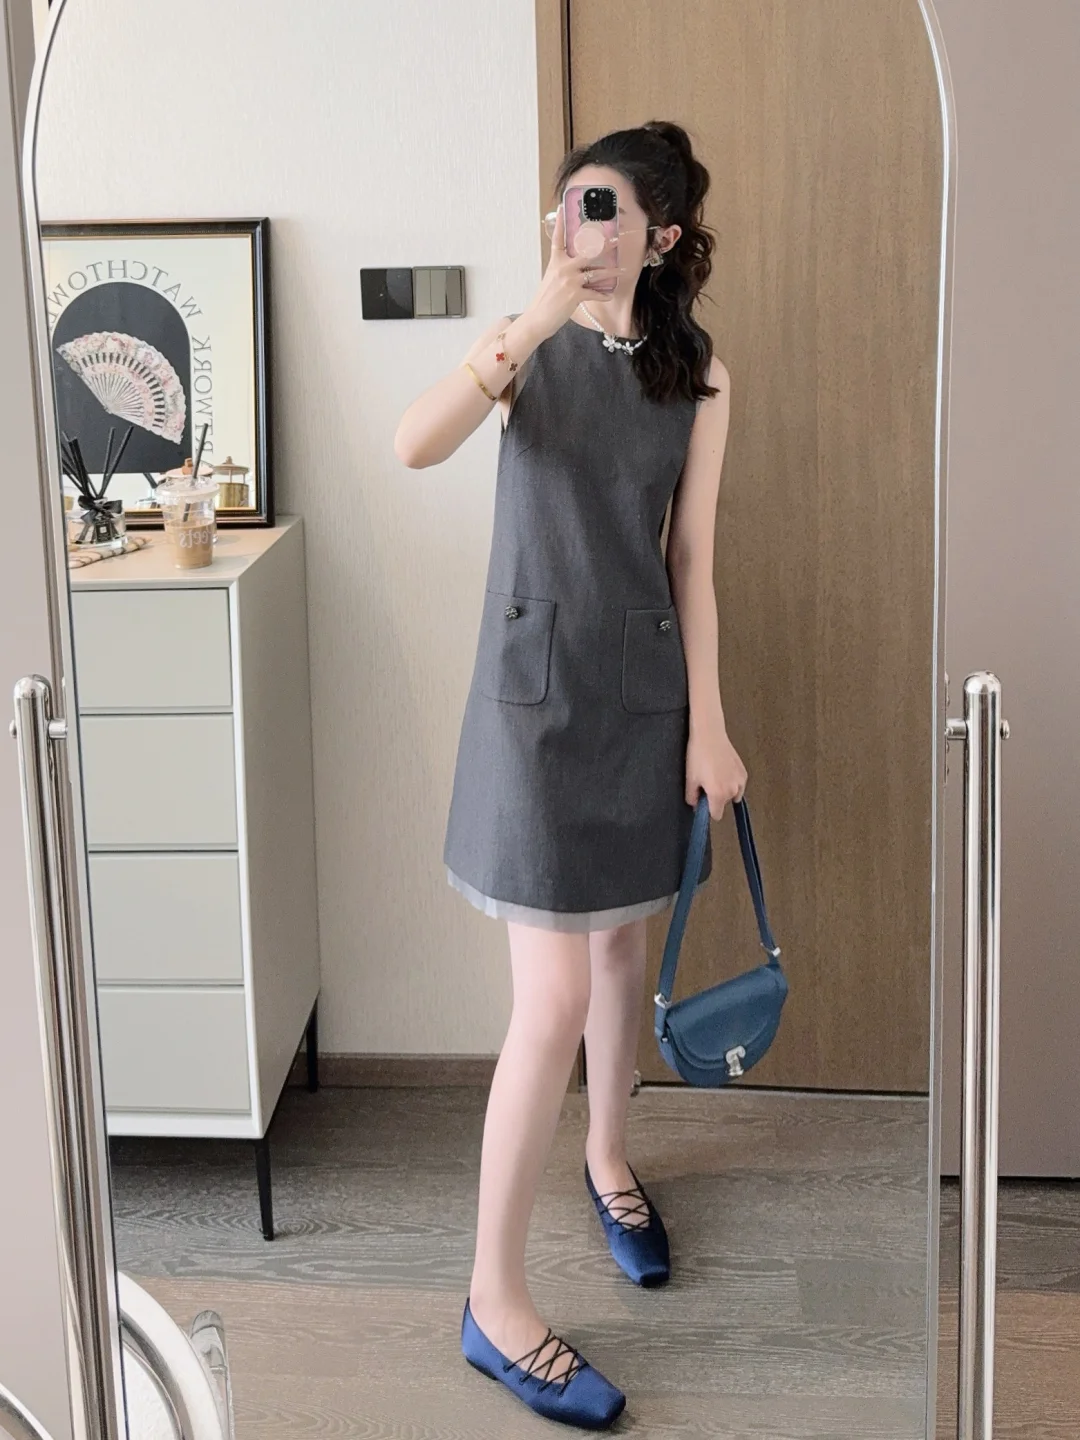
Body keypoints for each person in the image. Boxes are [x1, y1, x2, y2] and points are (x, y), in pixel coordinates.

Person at [394, 120, 746, 1429]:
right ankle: (493, 1300)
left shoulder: (700, 375)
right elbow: (412, 445)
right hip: (535, 711)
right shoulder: (523, 346)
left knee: (619, 958)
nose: (574, 226)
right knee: (547, 998)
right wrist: (532, 322)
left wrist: (710, 727)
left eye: (600, 208)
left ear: (660, 234)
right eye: (565, 204)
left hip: (641, 701)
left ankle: (608, 1161)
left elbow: (691, 561)